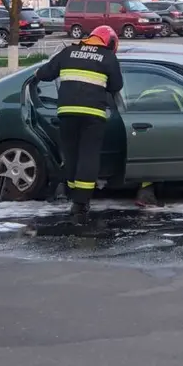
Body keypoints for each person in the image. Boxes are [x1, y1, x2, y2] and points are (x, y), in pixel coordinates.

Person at [34, 25, 123, 223]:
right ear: (108, 42)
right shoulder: (108, 57)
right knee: (88, 156)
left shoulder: (68, 51)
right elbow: (117, 86)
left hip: (67, 113)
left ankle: (72, 192)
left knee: (72, 155)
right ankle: (81, 203)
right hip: (93, 115)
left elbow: (43, 74)